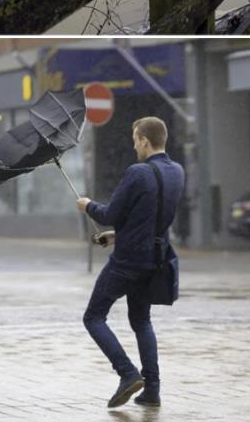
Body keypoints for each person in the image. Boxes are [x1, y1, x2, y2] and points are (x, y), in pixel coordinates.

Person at [76, 116, 185, 409]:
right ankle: (152, 390)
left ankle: (127, 374)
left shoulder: (138, 172)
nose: (134, 145)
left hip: (127, 262)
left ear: (145, 140)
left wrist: (87, 206)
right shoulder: (177, 171)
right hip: (155, 259)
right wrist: (116, 236)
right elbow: (152, 216)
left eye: (135, 139)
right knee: (141, 321)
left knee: (93, 317)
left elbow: (110, 214)